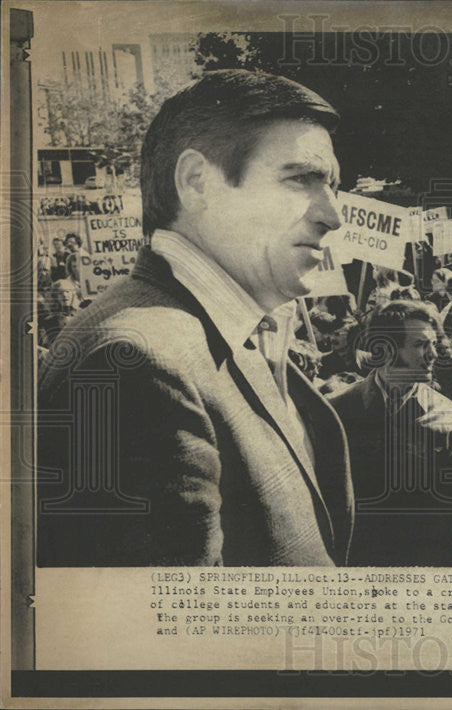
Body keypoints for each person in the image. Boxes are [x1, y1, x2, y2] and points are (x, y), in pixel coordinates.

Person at [36, 69, 353, 566]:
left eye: (331, 184)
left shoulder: (215, 334)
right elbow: (176, 637)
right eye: (301, 178)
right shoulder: (135, 365)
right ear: (197, 182)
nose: (332, 215)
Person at [329, 300, 452, 566]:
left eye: (434, 345)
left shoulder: (447, 415)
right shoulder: (338, 410)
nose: (433, 355)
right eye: (420, 345)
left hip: (424, 565)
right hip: (358, 566)